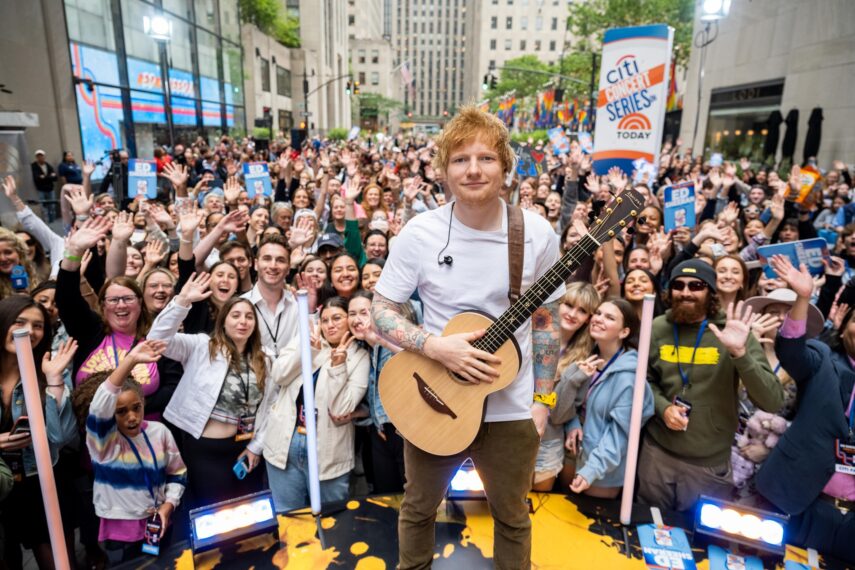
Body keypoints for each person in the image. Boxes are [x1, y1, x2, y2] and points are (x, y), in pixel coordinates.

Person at [372, 106, 563, 569]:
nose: (473, 169)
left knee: (513, 517)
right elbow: (382, 310)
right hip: (434, 397)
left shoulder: (535, 233)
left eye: (485, 158)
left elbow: (546, 322)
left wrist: (543, 400)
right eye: (460, 160)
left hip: (511, 408)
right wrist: (433, 345)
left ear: (505, 167)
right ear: (443, 170)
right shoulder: (420, 234)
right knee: (417, 510)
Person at [637, 259, 785, 512]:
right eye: (678, 285)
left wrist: (740, 352)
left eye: (696, 286)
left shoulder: (734, 331)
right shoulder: (658, 326)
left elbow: (772, 401)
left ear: (711, 291)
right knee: (646, 525)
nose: (685, 292)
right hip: (656, 454)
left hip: (707, 465)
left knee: (697, 539)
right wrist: (663, 408)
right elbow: (644, 379)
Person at [755, 255, 855, 562]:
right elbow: (791, 349)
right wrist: (802, 297)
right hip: (798, 502)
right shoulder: (823, 359)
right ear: (845, 322)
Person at [146, 273, 275, 508]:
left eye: (249, 317)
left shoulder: (265, 358)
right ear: (223, 321)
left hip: (244, 448)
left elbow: (269, 409)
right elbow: (156, 339)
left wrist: (255, 447)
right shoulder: (201, 346)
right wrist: (182, 301)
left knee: (250, 515)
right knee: (213, 518)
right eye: (235, 316)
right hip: (205, 451)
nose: (242, 322)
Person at [259, 296, 369, 512]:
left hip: (328, 452)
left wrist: (338, 367)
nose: (330, 325)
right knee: (288, 519)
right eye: (325, 320)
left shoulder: (359, 357)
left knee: (333, 522)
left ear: (350, 320)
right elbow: (279, 375)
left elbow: (341, 410)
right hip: (285, 445)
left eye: (337, 318)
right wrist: (308, 351)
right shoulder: (306, 339)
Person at [82, 340, 186, 565]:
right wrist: (129, 362)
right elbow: (100, 407)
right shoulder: (104, 445)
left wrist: (168, 506)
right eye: (120, 412)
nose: (131, 416)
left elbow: (178, 474)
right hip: (121, 533)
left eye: (136, 407)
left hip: (160, 523)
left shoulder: (159, 432)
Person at [0, 296, 78, 568]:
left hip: (39, 481)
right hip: (2, 485)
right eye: (19, 322)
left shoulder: (48, 370)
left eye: (38, 325)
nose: (29, 331)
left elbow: (60, 437)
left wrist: (55, 382)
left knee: (58, 562)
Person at [565, 298, 654, 498]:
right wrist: (572, 425)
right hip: (574, 457)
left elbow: (620, 436)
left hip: (601, 472)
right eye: (597, 313)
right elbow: (577, 405)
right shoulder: (589, 358)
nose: (598, 319)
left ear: (624, 332)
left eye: (609, 317)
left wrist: (591, 471)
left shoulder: (630, 378)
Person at [539, 282, 599, 492]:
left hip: (549, 442)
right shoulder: (532, 338)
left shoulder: (585, 360)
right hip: (515, 437)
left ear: (588, 319)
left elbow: (559, 414)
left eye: (582, 311)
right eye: (569, 305)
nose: (573, 314)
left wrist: (572, 380)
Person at [241, 235, 298, 357]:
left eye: (280, 260)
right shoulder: (240, 305)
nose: (273, 266)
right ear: (256, 264)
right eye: (267, 259)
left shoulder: (298, 304)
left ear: (288, 268)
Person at [30, 150, 57, 221]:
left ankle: (52, 221)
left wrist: (44, 177)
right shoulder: (34, 166)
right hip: (41, 189)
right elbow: (37, 178)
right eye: (38, 156)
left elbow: (55, 177)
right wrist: (49, 176)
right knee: (42, 207)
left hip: (50, 189)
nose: (40, 157)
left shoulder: (48, 165)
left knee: (52, 206)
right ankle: (45, 221)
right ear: (36, 157)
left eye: (41, 156)